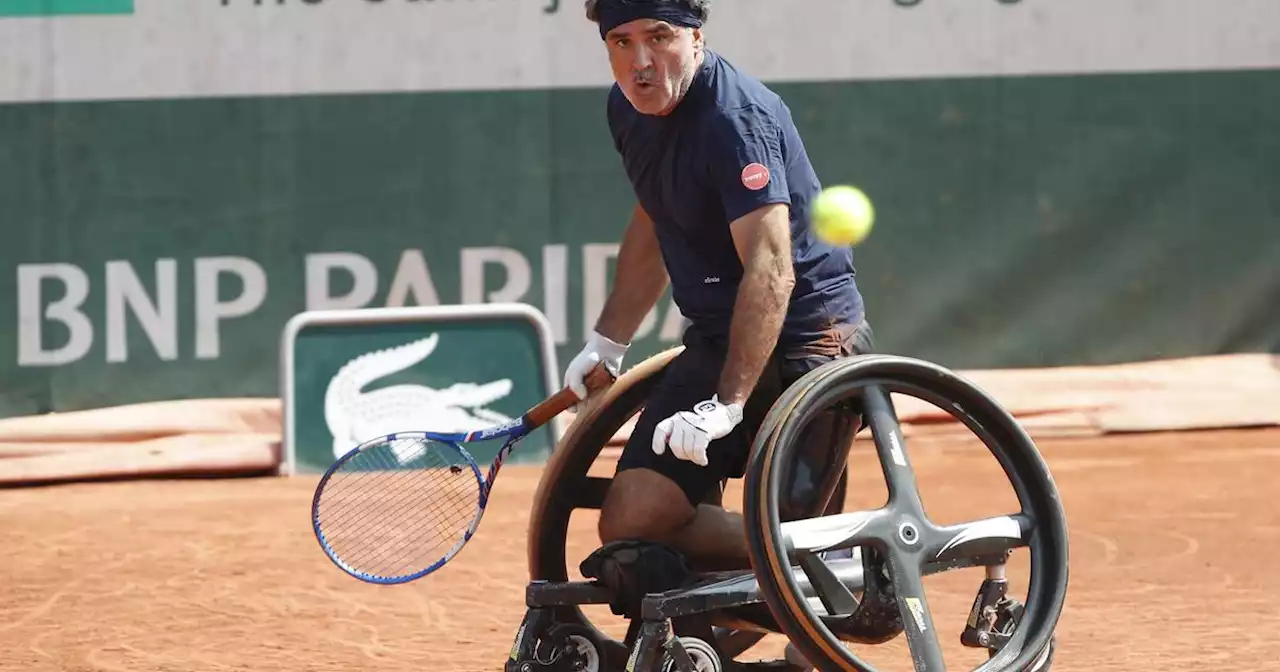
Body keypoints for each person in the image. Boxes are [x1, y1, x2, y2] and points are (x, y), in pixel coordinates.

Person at [564, 0, 876, 612]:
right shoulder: (627, 110)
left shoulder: (736, 118)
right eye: (622, 43)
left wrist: (727, 404)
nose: (641, 62)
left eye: (659, 37)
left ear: (697, 37)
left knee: (806, 638)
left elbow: (771, 269)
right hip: (717, 338)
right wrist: (608, 341)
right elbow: (655, 221)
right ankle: (810, 559)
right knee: (630, 522)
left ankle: (825, 563)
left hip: (808, 346)